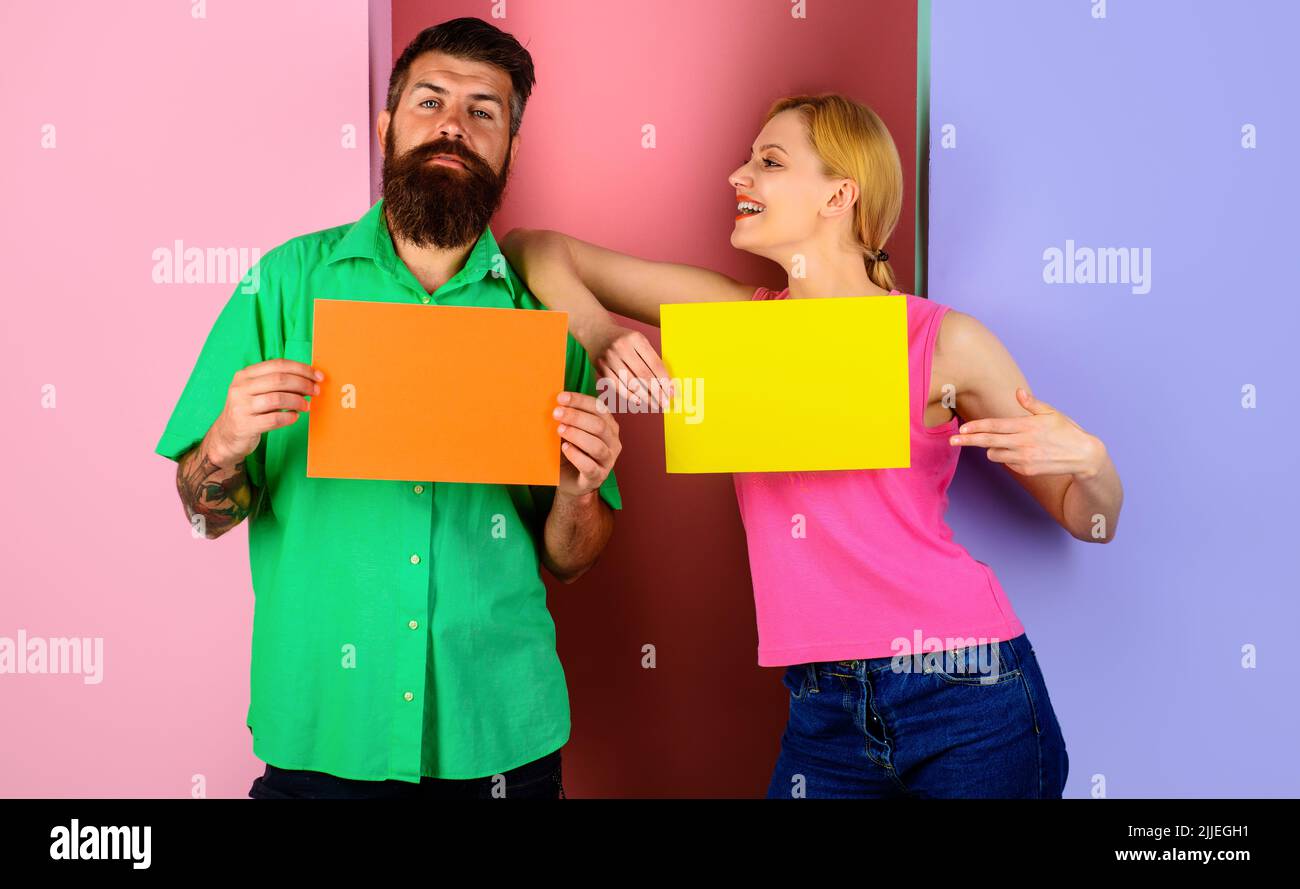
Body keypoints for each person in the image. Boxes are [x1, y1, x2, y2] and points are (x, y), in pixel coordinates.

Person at [501, 93, 1124, 798]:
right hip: (822, 711)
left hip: (967, 690)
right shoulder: (735, 325)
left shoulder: (943, 342)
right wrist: (598, 331)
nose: (739, 176)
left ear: (840, 194)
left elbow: (1086, 515)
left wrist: (1093, 462)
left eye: (768, 161)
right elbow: (531, 246)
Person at [154, 17, 623, 799]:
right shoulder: (281, 285)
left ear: (509, 146)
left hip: (500, 738)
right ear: (386, 125)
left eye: (484, 112)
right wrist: (225, 443)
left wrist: (580, 491)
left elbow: (573, 558)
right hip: (323, 734)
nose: (453, 125)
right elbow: (206, 514)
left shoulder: (548, 314)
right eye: (429, 101)